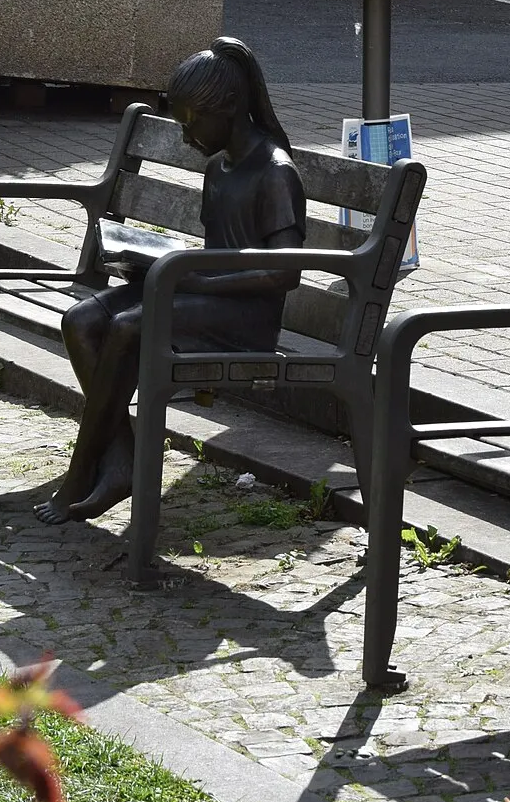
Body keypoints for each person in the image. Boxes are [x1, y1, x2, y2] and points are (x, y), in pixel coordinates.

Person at [34, 38, 306, 525]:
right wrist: (152, 264)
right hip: (201, 294)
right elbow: (214, 253)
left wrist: (193, 279)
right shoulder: (219, 169)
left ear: (227, 107)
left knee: (129, 326)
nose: (186, 136)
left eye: (190, 122)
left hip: (246, 319)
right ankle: (120, 464)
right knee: (81, 319)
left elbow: (284, 272)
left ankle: (80, 474)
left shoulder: (275, 172)